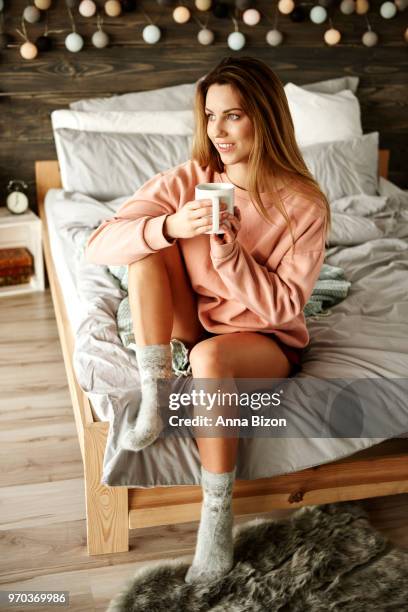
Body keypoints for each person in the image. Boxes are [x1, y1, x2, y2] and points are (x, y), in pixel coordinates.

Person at [85, 56, 331, 584]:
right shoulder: (191, 179)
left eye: (233, 116)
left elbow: (283, 306)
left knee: (210, 355)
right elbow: (97, 244)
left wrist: (229, 255)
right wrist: (170, 225)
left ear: (264, 117)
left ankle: (216, 516)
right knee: (145, 250)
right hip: (193, 321)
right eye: (210, 115)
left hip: (262, 337)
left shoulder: (304, 204)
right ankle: (156, 391)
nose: (216, 131)